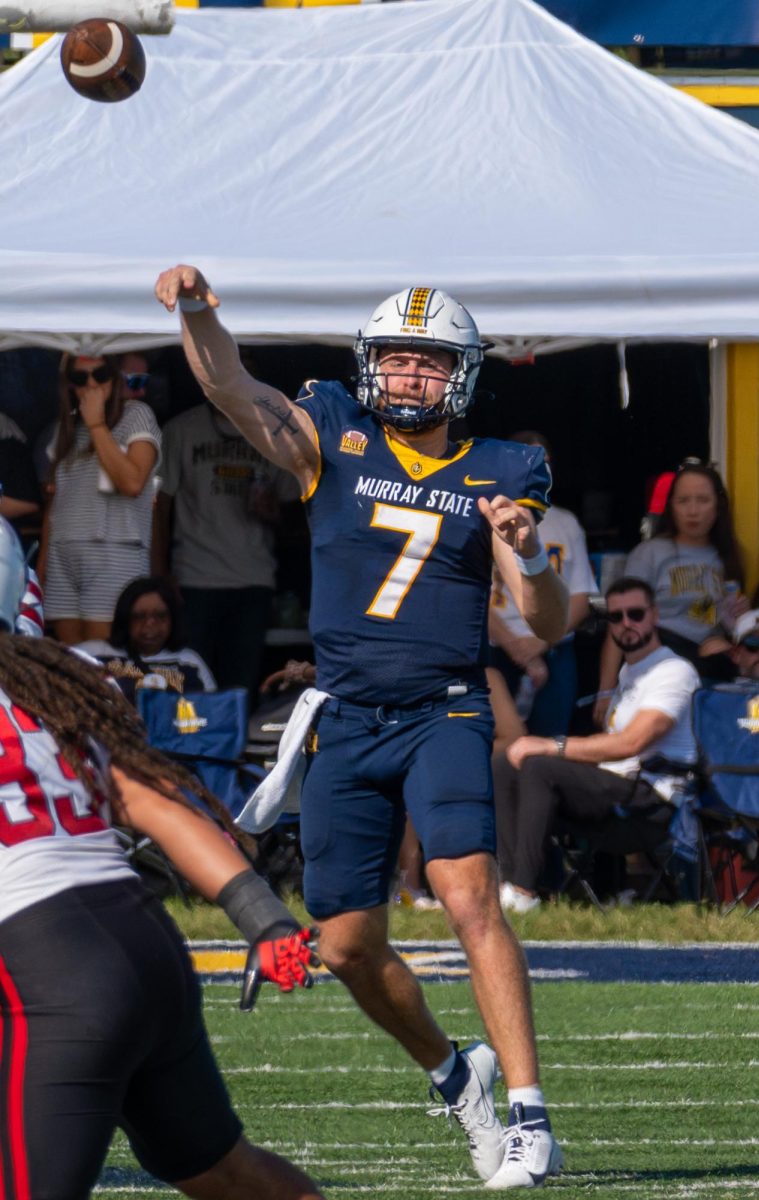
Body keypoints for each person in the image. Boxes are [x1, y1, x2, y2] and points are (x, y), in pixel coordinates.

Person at [155, 265, 569, 1189]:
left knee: (467, 891)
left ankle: (532, 1116)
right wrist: (195, 311)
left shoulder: (504, 468)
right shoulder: (332, 437)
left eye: (428, 363)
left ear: (459, 375)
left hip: (444, 706)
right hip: (343, 715)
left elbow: (544, 622)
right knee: (343, 944)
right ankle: (454, 1073)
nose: (410, 377)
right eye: (397, 360)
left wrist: (529, 552)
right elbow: (229, 386)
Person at [0, 516, 323, 1200]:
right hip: (147, 947)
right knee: (227, 1173)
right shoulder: (56, 689)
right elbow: (156, 807)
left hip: (51, 977)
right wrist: (265, 919)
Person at [496, 577, 701, 913]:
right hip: (615, 788)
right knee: (505, 763)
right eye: (615, 617)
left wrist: (552, 745)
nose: (626, 624)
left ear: (655, 616)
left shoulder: (673, 670)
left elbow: (631, 743)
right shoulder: (629, 673)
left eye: (635, 614)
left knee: (539, 765)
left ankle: (524, 890)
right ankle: (506, 885)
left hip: (651, 800)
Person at [153, 395, 299, 704]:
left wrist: (272, 513)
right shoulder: (182, 429)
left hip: (254, 577)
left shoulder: (275, 431)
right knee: (189, 683)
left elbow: (295, 521)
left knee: (240, 688)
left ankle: (232, 751)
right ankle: (190, 750)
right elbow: (159, 505)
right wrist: (159, 572)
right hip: (194, 576)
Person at [595, 460, 746, 718]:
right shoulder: (651, 553)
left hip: (710, 676)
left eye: (702, 500)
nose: (693, 511)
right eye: (683, 501)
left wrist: (737, 627)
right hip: (656, 671)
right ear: (671, 507)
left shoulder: (727, 557)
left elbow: (730, 623)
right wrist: (606, 692)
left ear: (718, 506)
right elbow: (621, 622)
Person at [38, 352, 161, 644]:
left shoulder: (137, 414)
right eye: (81, 378)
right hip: (63, 555)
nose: (91, 384)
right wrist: (42, 569)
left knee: (105, 660)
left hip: (114, 550)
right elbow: (55, 507)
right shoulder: (64, 429)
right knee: (71, 661)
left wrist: (97, 425)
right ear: (70, 385)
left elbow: (132, 483)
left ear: (115, 377)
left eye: (100, 375)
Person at [489, 430, 597, 737]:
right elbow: (473, 597)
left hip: (555, 649)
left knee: (550, 743)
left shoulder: (566, 523)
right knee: (498, 745)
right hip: (497, 650)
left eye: (544, 460)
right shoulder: (486, 519)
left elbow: (580, 597)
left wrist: (542, 641)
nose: (539, 467)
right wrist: (515, 646)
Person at [78, 574, 216, 702]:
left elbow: (213, 713)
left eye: (160, 616)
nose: (149, 624)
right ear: (125, 619)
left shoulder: (190, 662)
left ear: (172, 619)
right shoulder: (91, 654)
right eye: (139, 616)